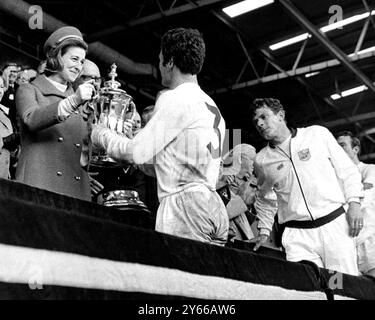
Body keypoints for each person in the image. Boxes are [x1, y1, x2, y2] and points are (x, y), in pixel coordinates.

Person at [92, 27, 228, 245]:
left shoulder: (174, 98)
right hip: (213, 207)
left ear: (170, 61)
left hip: (185, 208)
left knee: (181, 278)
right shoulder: (212, 107)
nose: (160, 66)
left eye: (160, 59)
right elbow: (165, 165)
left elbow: (135, 153)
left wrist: (101, 134)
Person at [249, 98, 363, 276]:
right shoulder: (262, 160)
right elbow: (265, 198)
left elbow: (347, 170)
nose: (260, 124)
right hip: (297, 236)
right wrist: (264, 230)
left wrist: (354, 202)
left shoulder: (317, 135)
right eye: (256, 121)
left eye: (264, 117)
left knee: (339, 286)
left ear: (281, 115)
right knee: (306, 290)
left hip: (333, 227)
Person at [15, 26, 95, 201]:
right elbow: (32, 119)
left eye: (82, 62)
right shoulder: (29, 89)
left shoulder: (80, 101)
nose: (78, 67)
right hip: (40, 184)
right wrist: (73, 101)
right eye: (74, 59)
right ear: (57, 58)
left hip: (75, 190)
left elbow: (86, 148)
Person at [336, 131, 375, 278]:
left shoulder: (370, 170)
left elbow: (365, 199)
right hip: (344, 248)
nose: (338, 150)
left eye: (343, 145)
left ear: (356, 149)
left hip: (370, 244)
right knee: (339, 289)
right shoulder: (334, 178)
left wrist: (347, 200)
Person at [217, 144, 258, 242]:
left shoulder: (248, 182)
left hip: (238, 235)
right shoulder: (219, 174)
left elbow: (249, 218)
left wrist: (248, 203)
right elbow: (219, 215)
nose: (254, 165)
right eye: (252, 160)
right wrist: (221, 182)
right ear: (240, 158)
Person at [0, 76, 19, 179]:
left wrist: (15, 149)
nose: (0, 91)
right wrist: (4, 141)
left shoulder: (5, 116)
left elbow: (12, 158)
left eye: (2, 87)